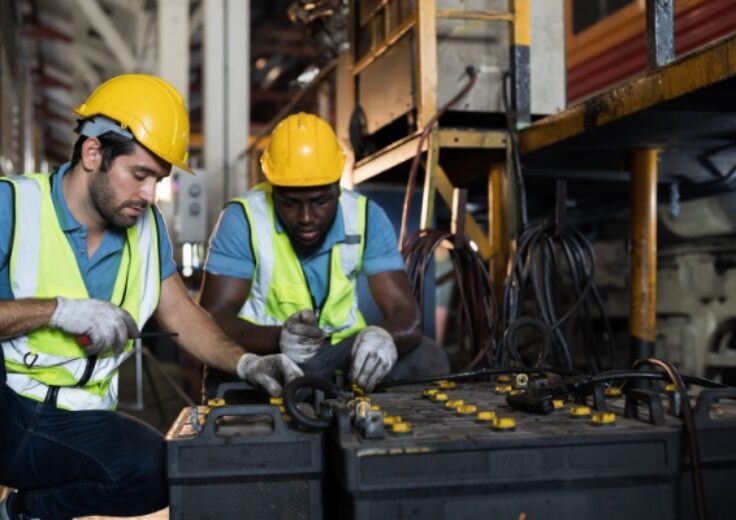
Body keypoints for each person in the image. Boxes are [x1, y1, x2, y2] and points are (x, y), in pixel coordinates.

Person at [0, 74, 302, 520]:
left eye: (158, 179)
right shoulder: (12, 206)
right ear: (93, 154)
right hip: (9, 406)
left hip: (79, 419)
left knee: (157, 471)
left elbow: (182, 313)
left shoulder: (147, 228)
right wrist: (57, 311)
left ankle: (26, 511)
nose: (149, 194)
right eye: (139, 175)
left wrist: (246, 363)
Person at [200, 112, 449, 400]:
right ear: (274, 190)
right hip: (268, 356)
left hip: (340, 354)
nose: (306, 217)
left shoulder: (367, 217)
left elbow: (406, 313)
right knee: (221, 376)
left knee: (428, 357)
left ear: (337, 187)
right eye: (290, 203)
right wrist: (277, 338)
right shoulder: (243, 219)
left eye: (319, 201)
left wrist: (383, 337)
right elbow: (211, 318)